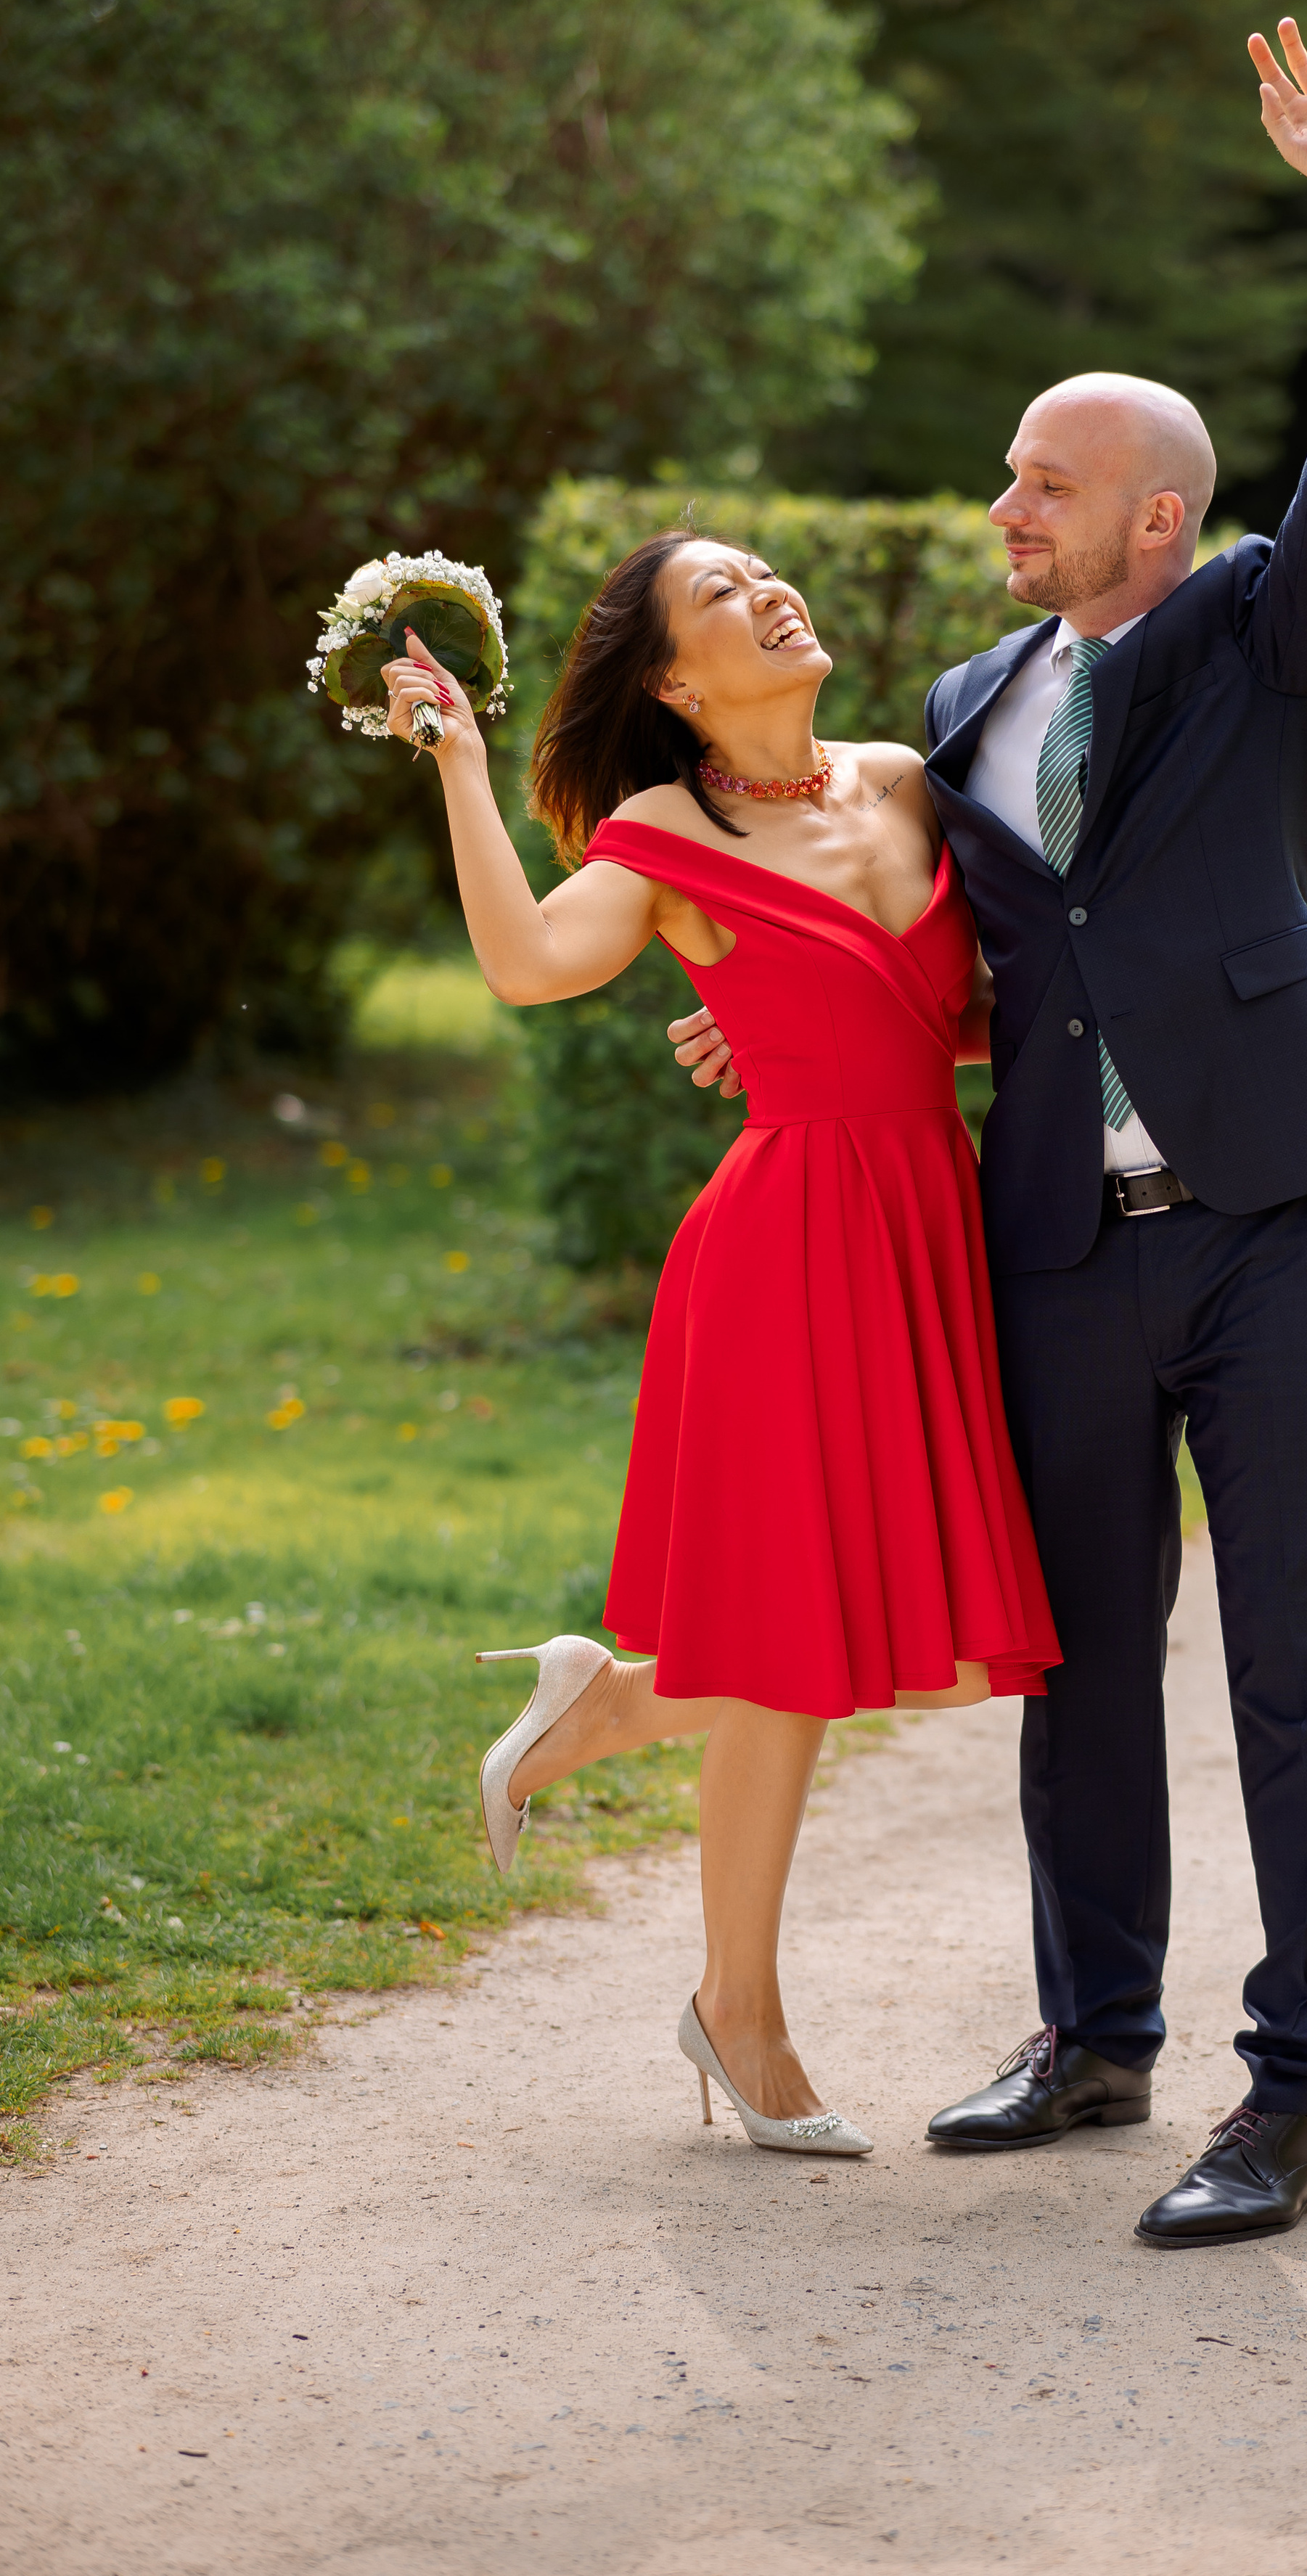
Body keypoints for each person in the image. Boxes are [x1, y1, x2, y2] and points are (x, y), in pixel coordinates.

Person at [668, 19, 1307, 2243]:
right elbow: (949, 961)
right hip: (1064, 1252)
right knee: (1079, 1658)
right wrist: (778, 1038)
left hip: (1267, 1223)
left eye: (1042, 486)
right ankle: (1098, 2039)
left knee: (1300, 1671)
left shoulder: (1258, 632)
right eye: (1008, 477)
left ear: (1159, 519)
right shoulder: (958, 711)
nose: (1003, 510)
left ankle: (1295, 2092)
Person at [375, 530, 1060, 2162]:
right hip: (783, 1249)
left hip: (924, 1227)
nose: (768, 594)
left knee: (907, 1626)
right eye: (722, 596)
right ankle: (734, 2007)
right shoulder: (658, 833)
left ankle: (606, 1710)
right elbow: (527, 964)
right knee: (806, 1636)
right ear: (676, 683)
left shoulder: (904, 779)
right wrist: (462, 767)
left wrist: (798, 1004)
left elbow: (972, 1012)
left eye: (767, 572)